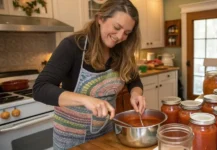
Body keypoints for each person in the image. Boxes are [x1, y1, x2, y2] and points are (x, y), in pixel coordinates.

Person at [33, 0, 145, 149]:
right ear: (100, 18)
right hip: (71, 140)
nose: (119, 36)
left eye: (127, 33)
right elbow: (40, 88)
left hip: (107, 134)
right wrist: (86, 100)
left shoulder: (123, 50)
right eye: (117, 27)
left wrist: (136, 94)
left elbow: (133, 80)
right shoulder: (73, 46)